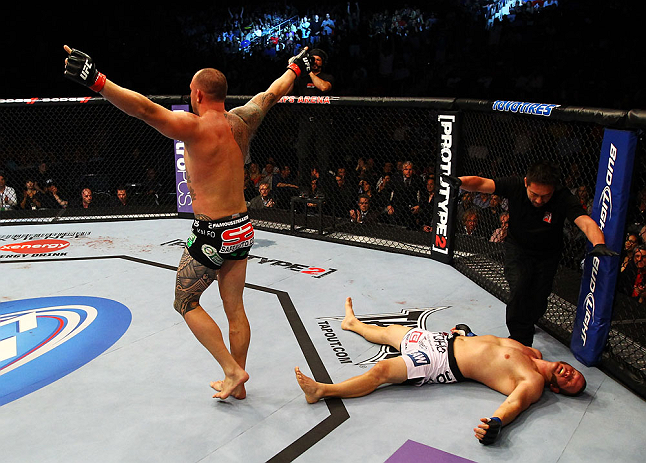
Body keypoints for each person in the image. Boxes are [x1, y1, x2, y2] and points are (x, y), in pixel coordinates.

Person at [63, 44, 309, 400]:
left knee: (185, 302)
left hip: (213, 233)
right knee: (235, 308)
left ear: (197, 94)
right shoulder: (243, 119)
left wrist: (98, 81)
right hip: (243, 226)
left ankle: (231, 369)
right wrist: (296, 69)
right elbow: (273, 92)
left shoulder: (193, 128)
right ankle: (238, 387)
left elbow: (144, 109)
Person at [294, 297, 586, 445]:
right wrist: (467, 333)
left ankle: (322, 391)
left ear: (557, 389)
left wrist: (497, 423)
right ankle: (352, 324)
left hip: (441, 363)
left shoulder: (532, 381)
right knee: (391, 332)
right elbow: (492, 347)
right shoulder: (532, 352)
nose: (571, 374)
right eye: (575, 373)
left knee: (382, 370)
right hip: (445, 340)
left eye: (570, 382)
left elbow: (515, 403)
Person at [442, 161, 616, 346]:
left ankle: (529, 320)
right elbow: (481, 184)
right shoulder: (515, 185)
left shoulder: (562, 196)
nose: (539, 200)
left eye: (545, 196)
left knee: (539, 297)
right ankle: (520, 341)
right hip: (518, 248)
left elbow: (584, 221)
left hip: (547, 254)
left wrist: (598, 243)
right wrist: (459, 181)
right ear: (526, 182)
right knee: (519, 287)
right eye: (534, 194)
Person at [293, 48, 335, 196]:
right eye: (312, 59)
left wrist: (310, 72)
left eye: (318, 59)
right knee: (303, 156)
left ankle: (322, 189)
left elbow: (323, 87)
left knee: (323, 158)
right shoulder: (302, 79)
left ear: (322, 62)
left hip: (322, 123)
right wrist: (293, 66)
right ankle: (304, 188)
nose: (315, 61)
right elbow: (286, 89)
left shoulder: (326, 77)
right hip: (305, 122)